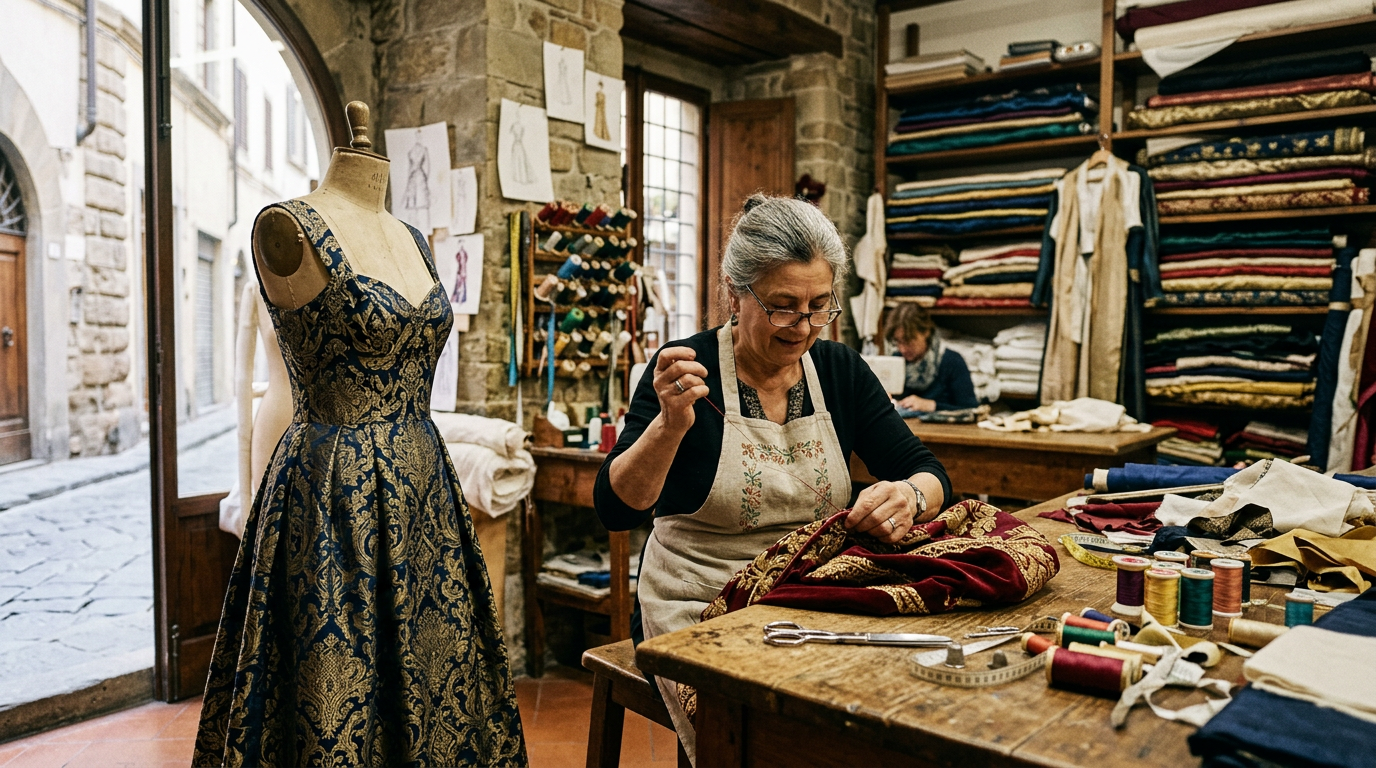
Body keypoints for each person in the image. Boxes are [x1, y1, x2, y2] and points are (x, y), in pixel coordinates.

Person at [593, 194, 950, 762]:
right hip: (698, 599)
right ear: (735, 293)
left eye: (819, 306)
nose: (803, 326)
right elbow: (617, 509)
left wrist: (908, 496)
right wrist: (668, 427)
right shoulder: (685, 368)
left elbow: (929, 473)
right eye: (783, 306)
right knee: (750, 732)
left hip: (808, 593)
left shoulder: (839, 371)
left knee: (877, 710)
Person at [887, 303, 978, 413]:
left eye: (909, 341)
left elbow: (971, 410)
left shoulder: (952, 362)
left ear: (926, 332)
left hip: (942, 430)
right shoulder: (895, 361)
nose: (902, 349)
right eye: (898, 342)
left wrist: (932, 406)